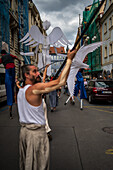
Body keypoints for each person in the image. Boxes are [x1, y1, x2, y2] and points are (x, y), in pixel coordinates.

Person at [17, 49, 76, 170]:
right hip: (35, 135)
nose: (37, 73)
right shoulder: (34, 89)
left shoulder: (21, 90)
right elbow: (61, 82)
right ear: (26, 75)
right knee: (39, 165)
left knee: (27, 164)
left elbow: (60, 80)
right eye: (34, 72)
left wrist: (68, 63)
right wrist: (69, 59)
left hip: (24, 134)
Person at [0, 49, 21, 118]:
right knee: (11, 82)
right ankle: (12, 102)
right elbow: (15, 57)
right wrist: (19, 60)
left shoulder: (2, 58)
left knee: (8, 82)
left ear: (2, 54)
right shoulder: (9, 55)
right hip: (13, 69)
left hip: (8, 69)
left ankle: (10, 105)